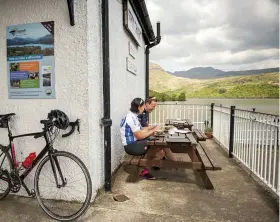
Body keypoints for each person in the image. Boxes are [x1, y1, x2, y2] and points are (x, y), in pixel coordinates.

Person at [120, 98, 177, 180]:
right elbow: (139, 136)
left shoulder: (132, 116)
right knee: (158, 146)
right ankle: (176, 163)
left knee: (161, 152)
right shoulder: (131, 118)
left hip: (136, 143)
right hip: (132, 146)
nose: (144, 109)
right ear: (139, 107)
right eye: (143, 106)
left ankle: (146, 168)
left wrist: (152, 127)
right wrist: (153, 130)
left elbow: (142, 129)